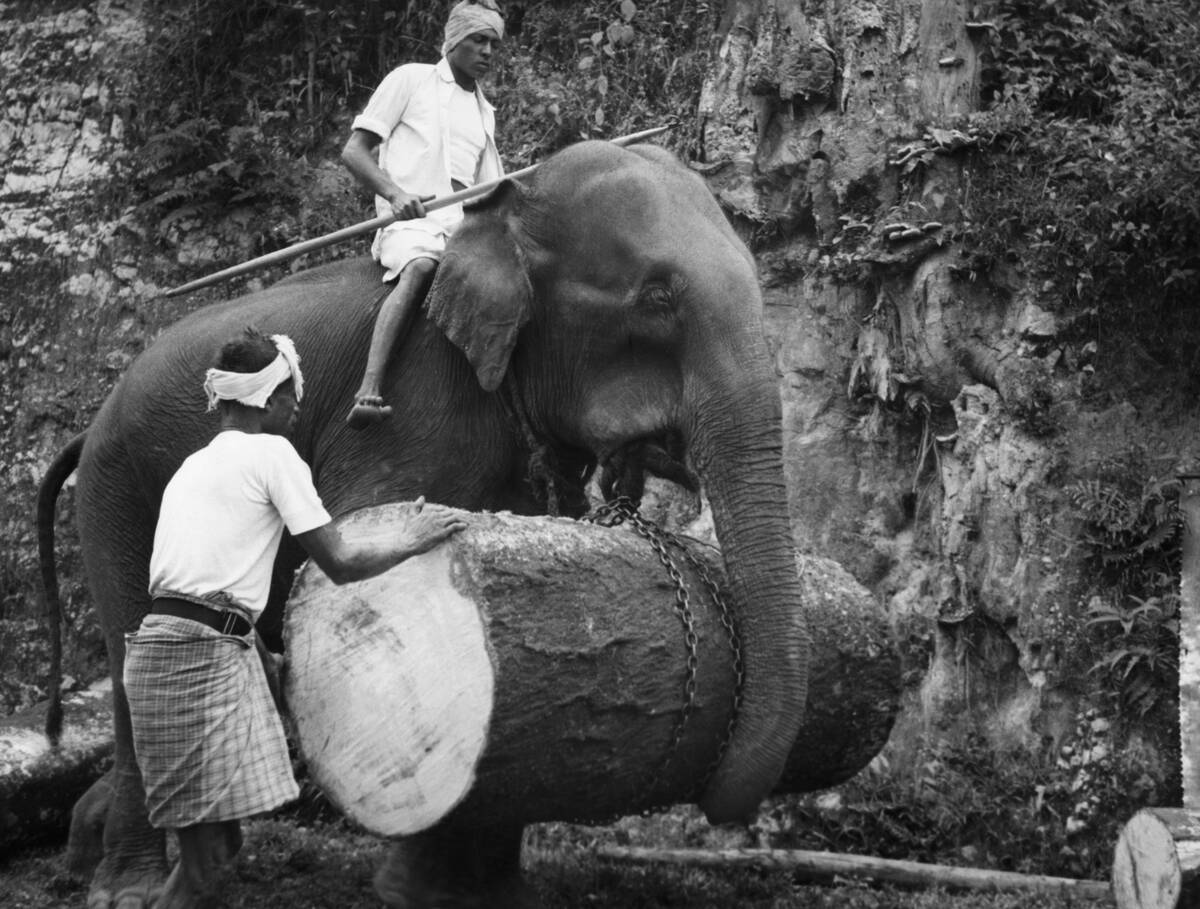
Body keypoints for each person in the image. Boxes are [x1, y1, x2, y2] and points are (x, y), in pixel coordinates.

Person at [123, 328, 467, 908]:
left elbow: (204, 588)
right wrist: (412, 538)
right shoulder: (271, 454)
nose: (297, 406)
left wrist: (266, 663)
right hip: (192, 658)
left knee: (221, 845)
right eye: (290, 395)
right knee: (203, 866)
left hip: (171, 647)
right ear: (266, 396)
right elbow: (339, 561)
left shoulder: (195, 466)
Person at [342, 0, 506, 430]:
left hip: (462, 230)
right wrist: (395, 195)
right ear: (454, 40)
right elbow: (354, 152)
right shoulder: (410, 80)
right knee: (419, 267)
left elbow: (490, 189)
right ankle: (369, 388)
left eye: (494, 43)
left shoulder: (484, 112)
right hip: (410, 225)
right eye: (478, 40)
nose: (488, 51)